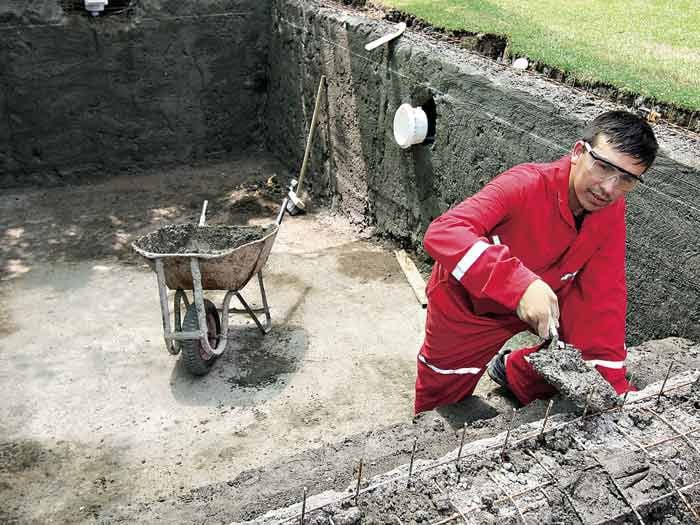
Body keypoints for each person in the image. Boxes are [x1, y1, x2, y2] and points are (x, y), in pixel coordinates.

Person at [414, 110, 658, 414]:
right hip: (470, 305)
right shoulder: (525, 184)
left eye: (626, 179)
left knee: (584, 366)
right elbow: (443, 232)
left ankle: (517, 372)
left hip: (550, 296)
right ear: (578, 152)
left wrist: (614, 385)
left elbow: (603, 293)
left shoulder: (610, 208)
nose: (609, 188)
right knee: (445, 391)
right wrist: (519, 286)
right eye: (603, 167)